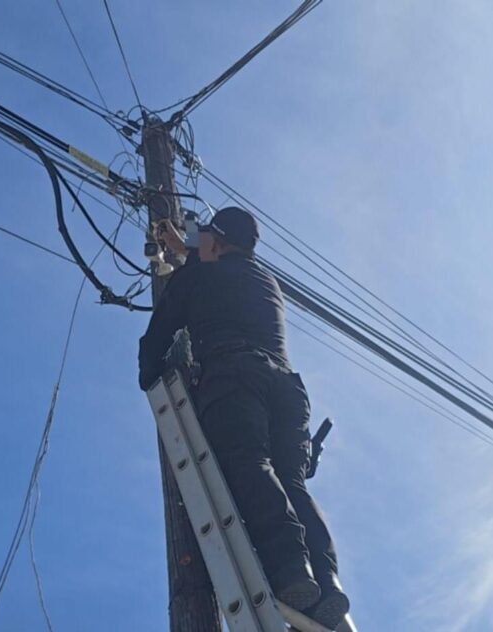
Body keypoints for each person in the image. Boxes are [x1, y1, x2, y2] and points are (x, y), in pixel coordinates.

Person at [139, 207, 349, 629]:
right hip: (288, 388)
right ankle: (326, 583)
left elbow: (158, 335)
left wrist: (150, 376)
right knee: (292, 481)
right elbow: (213, 260)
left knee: (248, 462)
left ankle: (291, 568)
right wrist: (183, 246)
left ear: (216, 242)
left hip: (234, 375)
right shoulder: (265, 281)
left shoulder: (196, 277)